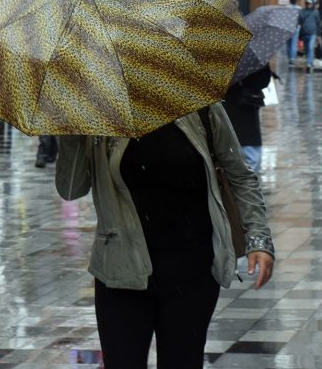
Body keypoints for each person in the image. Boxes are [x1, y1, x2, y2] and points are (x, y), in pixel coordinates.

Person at [55, 103, 275, 369]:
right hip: (121, 271)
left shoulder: (201, 105)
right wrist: (69, 131)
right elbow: (70, 189)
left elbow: (240, 175)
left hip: (192, 270)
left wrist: (259, 238)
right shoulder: (99, 115)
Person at [223, 64, 273, 173]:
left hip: (220, 119)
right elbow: (262, 80)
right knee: (251, 164)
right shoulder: (249, 53)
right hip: (244, 118)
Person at [297, 0, 321, 72]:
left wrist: (318, 34)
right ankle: (309, 60)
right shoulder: (302, 11)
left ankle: (309, 63)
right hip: (304, 33)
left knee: (310, 48)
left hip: (312, 33)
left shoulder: (316, 12)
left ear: (313, 4)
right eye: (307, 3)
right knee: (307, 49)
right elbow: (299, 21)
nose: (308, 5)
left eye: (310, 3)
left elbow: (318, 23)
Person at [287, 0, 301, 66]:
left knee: (288, 44)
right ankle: (292, 59)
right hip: (296, 27)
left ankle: (289, 58)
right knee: (293, 44)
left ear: (290, 1)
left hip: (287, 28)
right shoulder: (299, 8)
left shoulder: (287, 8)